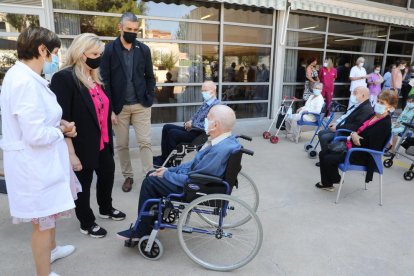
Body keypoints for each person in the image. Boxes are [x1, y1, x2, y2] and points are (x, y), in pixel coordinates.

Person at [0, 26, 77, 276]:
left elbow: (38, 119)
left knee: (49, 214)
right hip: (33, 164)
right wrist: (62, 132)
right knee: (42, 222)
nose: (55, 59)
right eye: (54, 53)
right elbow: (34, 135)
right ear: (41, 49)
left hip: (41, 160)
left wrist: (59, 124)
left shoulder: (30, 77)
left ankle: (52, 250)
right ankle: (43, 273)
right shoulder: (23, 81)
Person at [116, 105, 241, 241]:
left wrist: (167, 175)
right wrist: (169, 169)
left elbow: (195, 179)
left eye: (208, 118)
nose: (205, 120)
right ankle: (156, 217)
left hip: (196, 188)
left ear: (215, 124)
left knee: (150, 181)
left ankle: (141, 231)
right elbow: (194, 165)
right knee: (153, 173)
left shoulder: (219, 150)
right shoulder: (226, 141)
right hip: (199, 182)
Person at [50, 33, 126, 238]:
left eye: (100, 53)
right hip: (81, 144)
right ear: (80, 53)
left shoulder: (96, 77)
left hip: (102, 141)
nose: (98, 57)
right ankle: (86, 221)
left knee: (107, 175)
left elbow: (100, 104)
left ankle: (105, 208)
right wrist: (71, 153)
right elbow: (62, 118)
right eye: (95, 53)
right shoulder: (64, 78)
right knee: (83, 185)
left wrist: (108, 112)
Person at [100, 12, 156, 193]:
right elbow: (105, 80)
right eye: (129, 29)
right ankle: (128, 177)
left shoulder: (144, 50)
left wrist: (149, 96)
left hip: (141, 104)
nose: (132, 32)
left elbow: (149, 77)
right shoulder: (109, 50)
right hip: (119, 107)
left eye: (135, 30)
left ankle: (149, 176)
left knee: (145, 142)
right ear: (120, 28)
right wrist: (110, 110)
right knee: (122, 144)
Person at [316, 90, 398, 191]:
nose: (378, 104)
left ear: (390, 107)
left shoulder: (384, 123)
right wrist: (353, 134)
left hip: (362, 154)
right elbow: (357, 129)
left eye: (382, 103)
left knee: (328, 158)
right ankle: (329, 182)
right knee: (323, 153)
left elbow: (371, 144)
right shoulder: (373, 115)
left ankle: (332, 180)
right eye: (378, 101)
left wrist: (355, 137)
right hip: (353, 146)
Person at [153, 81, 220, 166]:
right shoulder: (206, 103)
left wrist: (193, 125)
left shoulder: (216, 106)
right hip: (193, 129)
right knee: (167, 127)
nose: (203, 93)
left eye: (205, 91)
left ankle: (169, 163)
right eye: (202, 91)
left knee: (172, 133)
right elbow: (196, 116)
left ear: (213, 91)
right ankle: (164, 158)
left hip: (199, 135)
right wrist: (190, 122)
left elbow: (209, 126)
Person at [315, 86, 374, 166]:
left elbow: (355, 126)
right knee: (321, 133)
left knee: (324, 137)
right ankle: (326, 157)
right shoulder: (358, 104)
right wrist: (337, 124)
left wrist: (338, 128)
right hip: (342, 127)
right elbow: (346, 117)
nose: (352, 95)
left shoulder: (366, 109)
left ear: (363, 95)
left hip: (348, 133)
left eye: (355, 93)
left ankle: (327, 160)